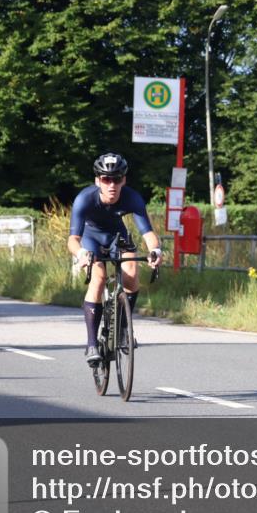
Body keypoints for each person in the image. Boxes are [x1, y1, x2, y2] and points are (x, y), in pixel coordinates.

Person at [69, 153, 162, 365]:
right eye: (106, 179)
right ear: (97, 180)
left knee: (131, 273)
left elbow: (147, 233)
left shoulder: (132, 198)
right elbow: (73, 239)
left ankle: (122, 329)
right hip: (90, 239)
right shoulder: (84, 199)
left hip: (117, 237)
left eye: (117, 179)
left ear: (124, 180)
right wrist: (81, 253)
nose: (112, 184)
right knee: (99, 277)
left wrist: (155, 250)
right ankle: (92, 343)